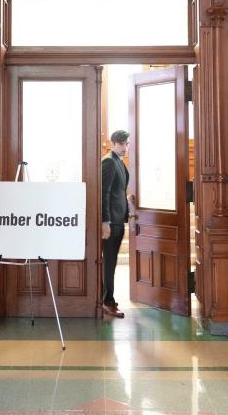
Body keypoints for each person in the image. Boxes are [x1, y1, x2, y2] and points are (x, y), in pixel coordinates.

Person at [100, 129, 134, 318]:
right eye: (121, 144)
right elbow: (103, 194)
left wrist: (127, 206)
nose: (124, 147)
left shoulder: (119, 162)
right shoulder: (109, 162)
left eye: (126, 143)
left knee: (111, 263)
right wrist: (105, 221)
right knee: (109, 262)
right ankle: (107, 301)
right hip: (111, 222)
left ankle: (108, 298)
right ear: (112, 144)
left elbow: (117, 192)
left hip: (118, 220)